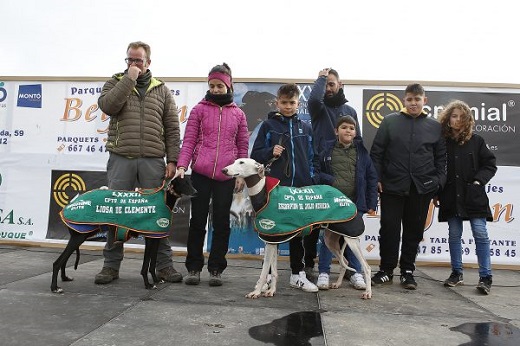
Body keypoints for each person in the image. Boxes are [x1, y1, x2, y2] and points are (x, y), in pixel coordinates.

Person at [95, 41, 182, 284]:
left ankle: (164, 265)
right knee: (116, 213)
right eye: (130, 60)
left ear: (148, 62)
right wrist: (129, 78)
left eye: (138, 61)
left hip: (153, 160)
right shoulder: (115, 81)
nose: (134, 64)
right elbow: (108, 106)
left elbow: (172, 128)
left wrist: (172, 159)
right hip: (121, 157)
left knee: (157, 213)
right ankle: (110, 267)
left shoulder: (162, 89)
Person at [175, 63, 249, 286]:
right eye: (212, 85)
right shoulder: (198, 110)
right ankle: (194, 268)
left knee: (221, 223)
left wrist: (240, 174)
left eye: (220, 85)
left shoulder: (238, 114)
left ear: (229, 86)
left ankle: (216, 268)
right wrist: (181, 166)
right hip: (200, 173)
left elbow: (242, 146)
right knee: (197, 221)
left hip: (227, 176)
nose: (216, 89)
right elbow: (188, 141)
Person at [370, 83, 447, 290]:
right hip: (392, 187)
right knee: (389, 229)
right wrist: (377, 178)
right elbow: (377, 153)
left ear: (425, 101)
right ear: (404, 100)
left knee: (414, 231)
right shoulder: (389, 121)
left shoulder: (435, 126)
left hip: (422, 189)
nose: (413, 103)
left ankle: (407, 272)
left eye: (417, 99)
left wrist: (438, 183)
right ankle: (386, 270)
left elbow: (441, 159)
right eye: (410, 99)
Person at [251, 83, 319, 293]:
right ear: (277, 103)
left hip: (299, 189)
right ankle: (269, 276)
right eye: (284, 103)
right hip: (276, 189)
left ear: (298, 103)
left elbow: (312, 158)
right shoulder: (268, 126)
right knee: (273, 231)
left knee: (298, 233)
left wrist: (311, 179)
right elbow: (255, 156)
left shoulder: (306, 128)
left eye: (292, 103)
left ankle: (297, 275)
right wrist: (271, 151)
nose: (288, 106)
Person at [434, 100, 497, 294]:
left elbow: (490, 164)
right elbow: (435, 168)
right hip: (451, 196)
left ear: (468, 119)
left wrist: (478, 181)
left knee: (480, 233)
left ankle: (485, 277)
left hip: (473, 195)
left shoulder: (476, 141)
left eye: (462, 116)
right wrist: (436, 191)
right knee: (454, 234)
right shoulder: (441, 142)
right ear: (447, 119)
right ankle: (456, 273)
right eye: (454, 116)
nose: (458, 120)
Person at [307, 67, 363, 284]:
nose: (328, 88)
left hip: (347, 178)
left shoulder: (350, 110)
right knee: (321, 228)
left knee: (347, 225)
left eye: (332, 84)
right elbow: (313, 99)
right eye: (325, 84)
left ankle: (352, 270)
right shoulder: (318, 109)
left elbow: (358, 144)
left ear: (340, 85)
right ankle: (317, 269)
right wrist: (321, 78)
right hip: (323, 175)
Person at [316, 115, 378, 290]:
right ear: (336, 131)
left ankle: (356, 273)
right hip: (331, 205)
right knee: (328, 239)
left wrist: (372, 202)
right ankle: (323, 273)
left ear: (355, 132)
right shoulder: (326, 150)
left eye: (351, 128)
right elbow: (317, 171)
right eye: (344, 127)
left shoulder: (362, 152)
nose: (348, 130)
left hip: (354, 204)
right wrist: (330, 179)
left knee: (352, 239)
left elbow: (372, 178)